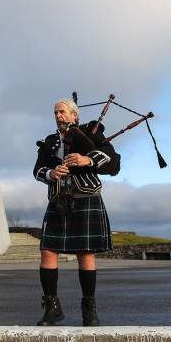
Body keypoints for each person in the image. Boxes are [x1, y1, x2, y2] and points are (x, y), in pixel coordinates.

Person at [32, 99, 119, 326]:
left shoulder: (90, 134)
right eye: (55, 112)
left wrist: (86, 159)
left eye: (62, 112)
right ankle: (52, 308)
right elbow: (38, 169)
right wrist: (52, 173)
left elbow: (113, 160)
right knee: (48, 251)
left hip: (85, 197)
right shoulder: (51, 141)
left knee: (85, 252)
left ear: (74, 115)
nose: (58, 115)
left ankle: (89, 309)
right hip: (59, 199)